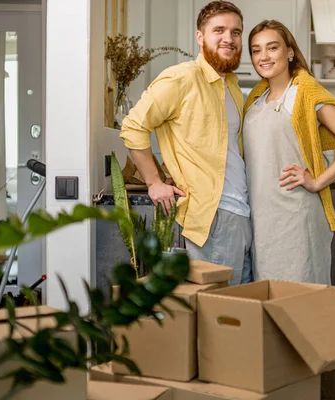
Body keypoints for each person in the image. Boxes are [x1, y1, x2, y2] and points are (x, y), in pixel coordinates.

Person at [119, 1, 252, 285]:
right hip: (211, 217)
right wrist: (154, 182)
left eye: (236, 32)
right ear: (200, 37)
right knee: (216, 307)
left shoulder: (232, 87)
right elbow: (133, 126)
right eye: (219, 30)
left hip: (240, 212)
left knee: (237, 307)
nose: (229, 38)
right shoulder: (181, 78)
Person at [243, 20, 335, 284]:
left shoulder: (305, 93)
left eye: (272, 47)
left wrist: (317, 181)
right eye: (256, 50)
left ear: (289, 52)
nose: (263, 56)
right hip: (263, 218)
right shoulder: (255, 99)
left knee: (300, 300)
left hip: (296, 217)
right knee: (269, 298)